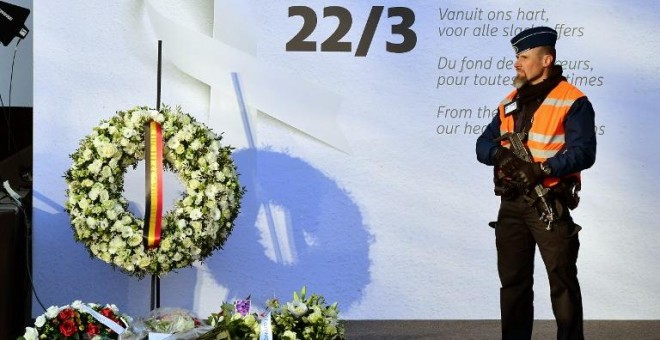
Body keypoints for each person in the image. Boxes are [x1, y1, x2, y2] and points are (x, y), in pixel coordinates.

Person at [475, 26, 597, 340]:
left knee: (562, 282)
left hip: (548, 202)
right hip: (512, 205)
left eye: (524, 56)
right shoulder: (511, 100)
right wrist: (501, 158)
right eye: (516, 56)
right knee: (513, 284)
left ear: (546, 60)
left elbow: (584, 153)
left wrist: (541, 169)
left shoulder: (573, 100)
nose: (517, 62)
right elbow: (482, 144)